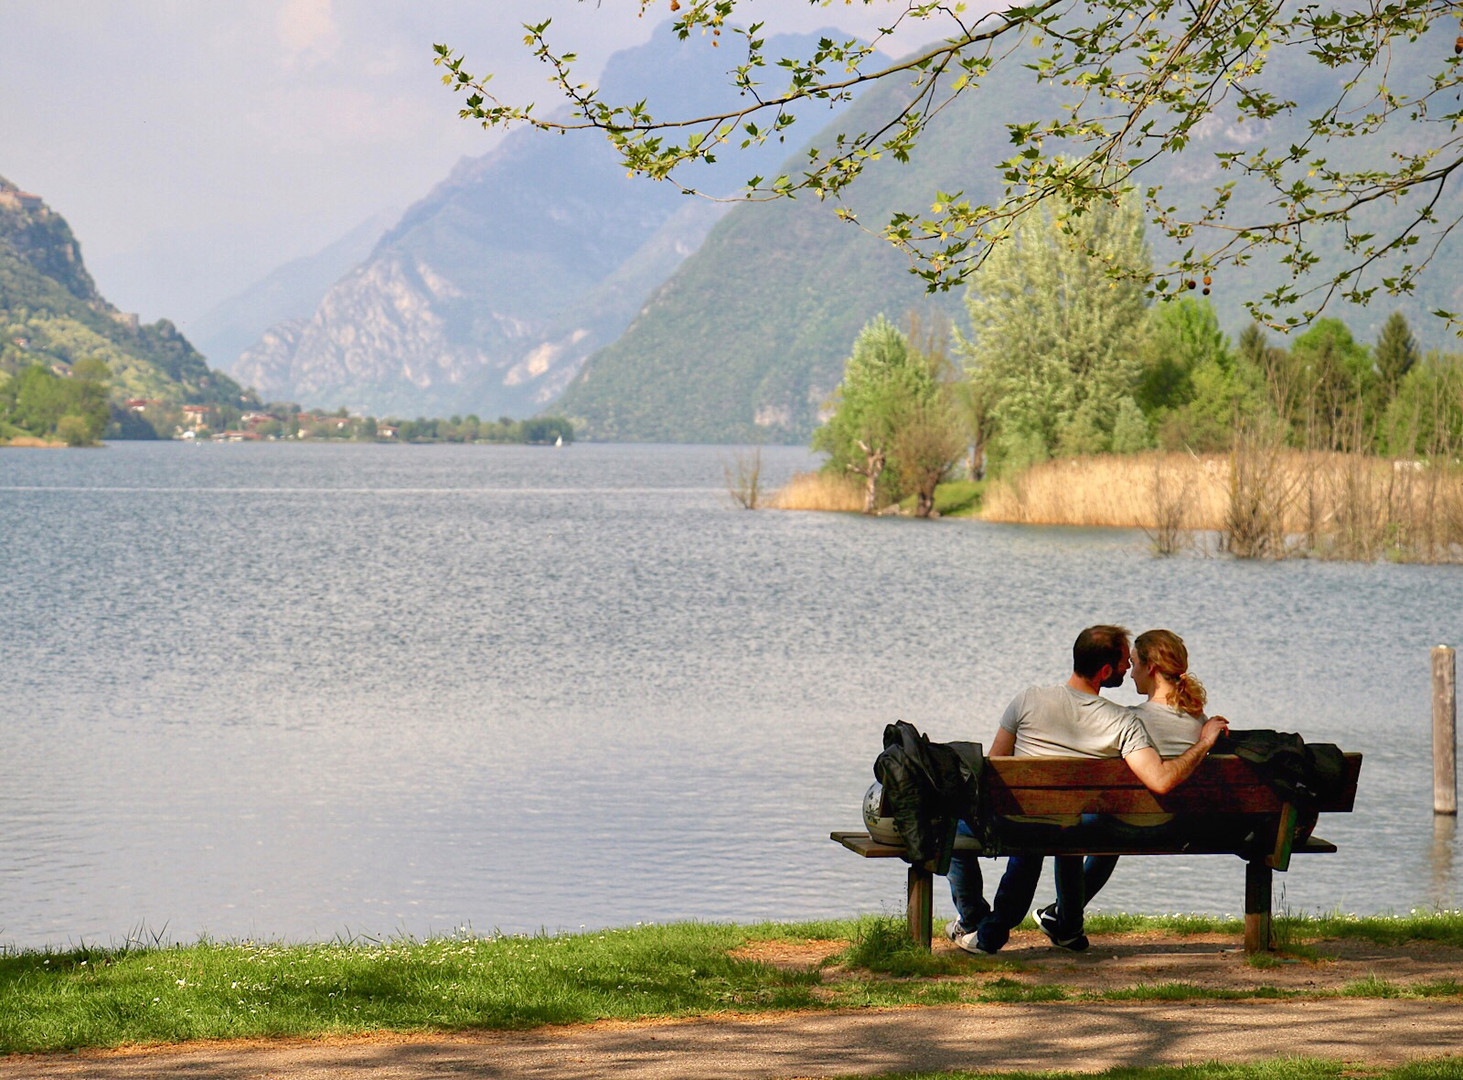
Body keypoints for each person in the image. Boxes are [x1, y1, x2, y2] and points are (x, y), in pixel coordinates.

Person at [946, 625, 1228, 955]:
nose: (1127, 668)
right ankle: (1020, 926)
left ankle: (975, 921)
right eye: (1124, 662)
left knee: (955, 827)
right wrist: (1206, 740)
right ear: (1106, 671)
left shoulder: (1028, 698)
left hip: (1028, 823)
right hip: (1073, 826)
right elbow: (1159, 778)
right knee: (1055, 827)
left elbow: (995, 765)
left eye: (1132, 662)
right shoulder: (1119, 722)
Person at [1057, 628, 1212, 911]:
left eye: (1134, 664)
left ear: (1150, 667)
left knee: (1072, 826)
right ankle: (1060, 916)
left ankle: (1066, 918)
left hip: (1125, 827)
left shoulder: (1127, 720)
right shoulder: (1200, 723)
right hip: (1176, 826)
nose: (1130, 674)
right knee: (1113, 818)